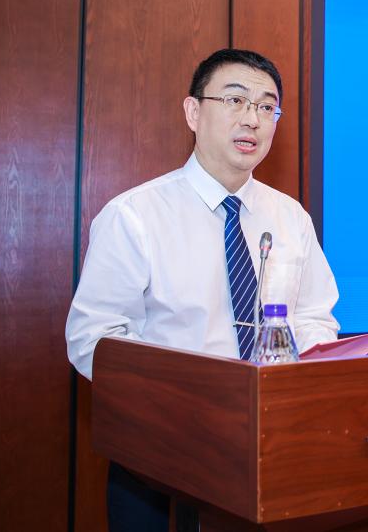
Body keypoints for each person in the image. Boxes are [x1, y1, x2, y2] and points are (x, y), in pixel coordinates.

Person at [66, 48, 339, 531]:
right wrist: (185, 400)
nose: (252, 119)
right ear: (193, 112)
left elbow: (314, 316)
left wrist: (298, 382)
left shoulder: (290, 218)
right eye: (234, 100)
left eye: (266, 106)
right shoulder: (136, 215)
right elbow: (94, 338)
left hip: (272, 442)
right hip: (160, 457)